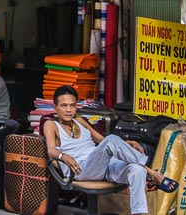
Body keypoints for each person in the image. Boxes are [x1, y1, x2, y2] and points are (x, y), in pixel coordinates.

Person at [43, 86, 178, 215]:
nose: (68, 110)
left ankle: (138, 212)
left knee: (137, 170)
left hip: (101, 165)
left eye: (72, 105)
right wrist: (64, 156)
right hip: (80, 169)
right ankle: (153, 173)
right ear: (55, 107)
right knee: (112, 140)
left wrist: (125, 144)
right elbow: (51, 150)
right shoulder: (51, 124)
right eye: (63, 105)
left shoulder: (79, 120)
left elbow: (102, 141)